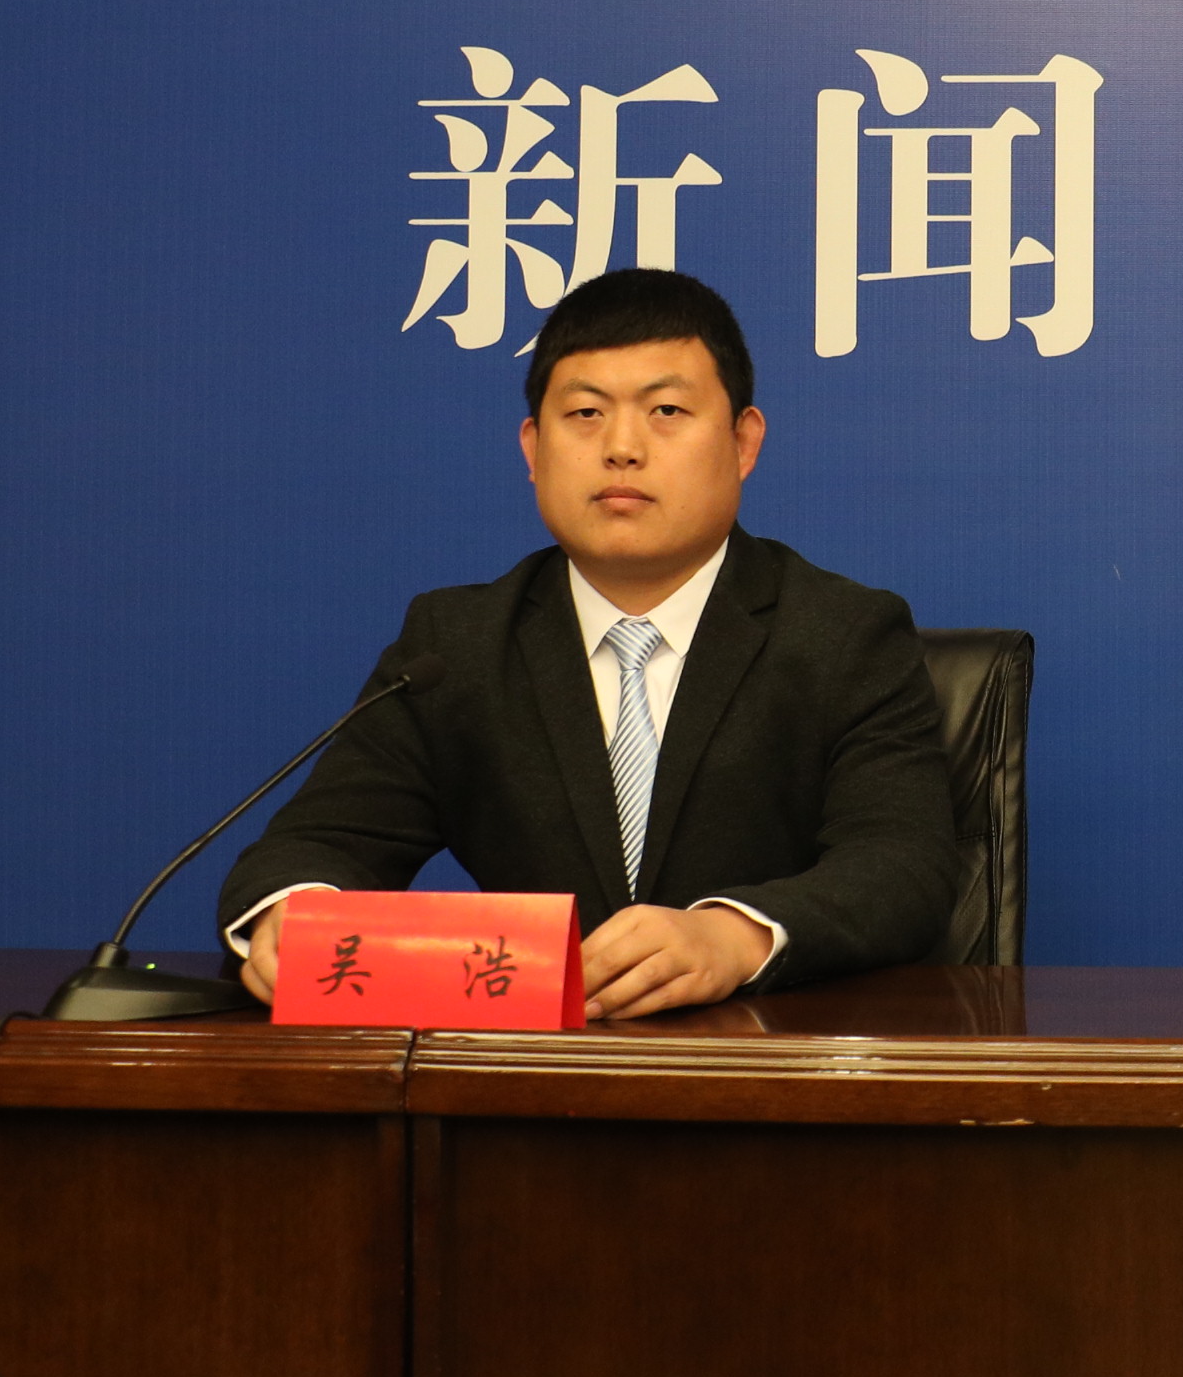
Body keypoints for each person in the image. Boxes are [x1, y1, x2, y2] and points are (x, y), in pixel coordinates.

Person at [219, 267, 962, 1016]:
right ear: (533, 448)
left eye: (667, 410)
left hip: (767, 1058)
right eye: (584, 414)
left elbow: (903, 865)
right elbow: (318, 844)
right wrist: (295, 912)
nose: (622, 448)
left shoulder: (843, 633)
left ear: (743, 443)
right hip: (528, 1067)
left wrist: (733, 936)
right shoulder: (459, 645)